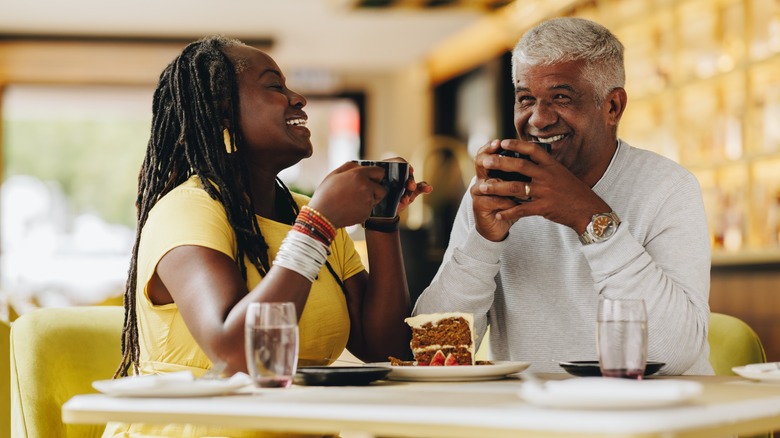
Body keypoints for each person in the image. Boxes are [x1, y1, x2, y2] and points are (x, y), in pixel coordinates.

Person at [106, 35, 430, 437]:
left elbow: (386, 349)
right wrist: (319, 222)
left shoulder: (304, 215)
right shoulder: (189, 208)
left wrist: (382, 220)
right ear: (222, 112)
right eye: (275, 86)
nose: (298, 99)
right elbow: (237, 353)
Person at [413, 17, 713, 375]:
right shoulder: (495, 193)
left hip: (653, 423)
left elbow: (674, 353)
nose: (538, 119)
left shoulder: (668, 187)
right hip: (540, 420)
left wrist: (588, 216)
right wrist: (483, 242)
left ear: (613, 107)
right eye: (526, 99)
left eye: (560, 98)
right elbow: (433, 351)